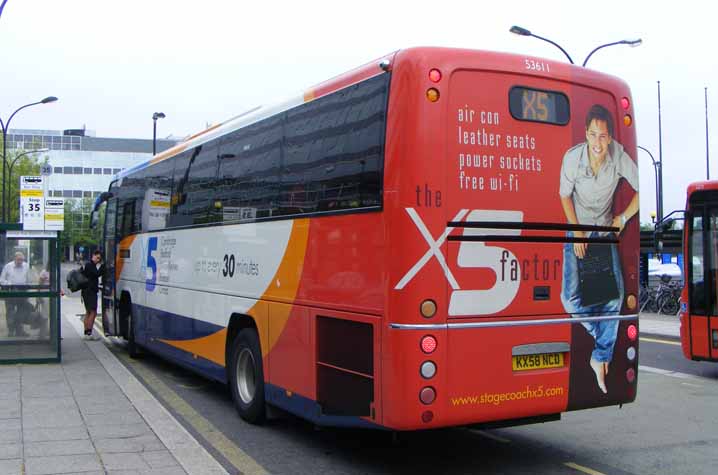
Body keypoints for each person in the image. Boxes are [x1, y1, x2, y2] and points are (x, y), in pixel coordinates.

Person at [559, 104, 639, 394]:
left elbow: (643, 188)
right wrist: (577, 231)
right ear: (586, 134)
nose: (597, 142)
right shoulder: (572, 159)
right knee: (569, 300)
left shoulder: (619, 155)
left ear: (610, 137)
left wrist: (623, 218)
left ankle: (600, 356)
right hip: (577, 226)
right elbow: (565, 196)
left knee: (615, 298)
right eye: (593, 135)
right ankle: (603, 345)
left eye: (603, 136)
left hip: (604, 230)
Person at [0, 252, 34, 337]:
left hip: (22, 292)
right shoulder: (8, 266)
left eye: (22, 260)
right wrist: (10, 284)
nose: (20, 262)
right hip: (11, 292)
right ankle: (11, 331)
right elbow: (1, 280)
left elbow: (29, 279)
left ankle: (19, 330)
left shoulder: (26, 266)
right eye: (19, 260)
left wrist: (27, 287)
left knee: (21, 312)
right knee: (10, 311)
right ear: (14, 259)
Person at [80, 250, 105, 340]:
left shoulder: (89, 265)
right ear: (93, 256)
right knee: (93, 312)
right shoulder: (90, 265)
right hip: (90, 292)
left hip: (86, 291)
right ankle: (89, 333)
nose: (98, 260)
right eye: (97, 257)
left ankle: (86, 333)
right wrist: (103, 266)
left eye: (99, 259)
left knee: (88, 312)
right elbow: (97, 274)